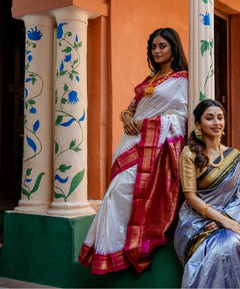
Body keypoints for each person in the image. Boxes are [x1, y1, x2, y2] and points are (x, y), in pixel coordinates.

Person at [78, 27, 188, 275]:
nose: (157, 51)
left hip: (154, 143)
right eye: (154, 47)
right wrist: (126, 116)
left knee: (126, 189)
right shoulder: (150, 79)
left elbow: (180, 117)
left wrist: (146, 124)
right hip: (131, 141)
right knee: (116, 191)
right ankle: (110, 251)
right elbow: (132, 106)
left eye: (162, 46)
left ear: (173, 48)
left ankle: (130, 247)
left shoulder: (181, 80)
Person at [174, 99, 240, 288]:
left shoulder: (235, 157)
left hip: (229, 216)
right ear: (198, 124)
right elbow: (190, 197)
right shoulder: (190, 154)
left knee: (233, 240)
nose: (216, 122)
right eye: (209, 118)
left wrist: (225, 219)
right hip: (195, 220)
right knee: (222, 246)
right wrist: (222, 219)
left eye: (220, 118)